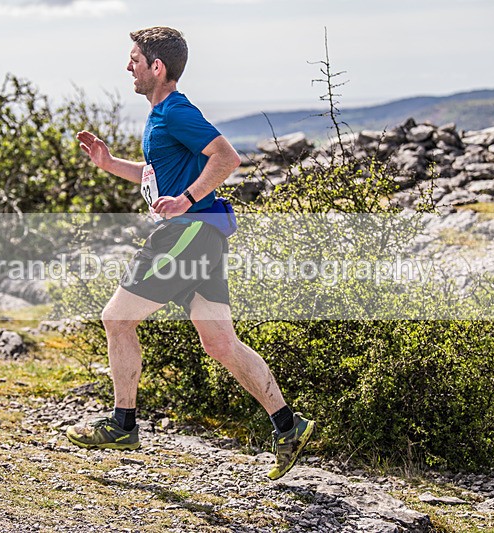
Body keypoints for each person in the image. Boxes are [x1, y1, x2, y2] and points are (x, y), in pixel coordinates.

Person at [67, 26, 314, 481]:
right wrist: (108, 164)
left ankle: (123, 424)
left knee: (116, 320)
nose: (128, 67)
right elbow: (155, 172)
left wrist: (186, 199)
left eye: (135, 60)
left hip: (187, 231)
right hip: (204, 235)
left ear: (156, 68)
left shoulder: (176, 111)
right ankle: (288, 425)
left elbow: (226, 157)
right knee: (219, 342)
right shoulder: (162, 115)